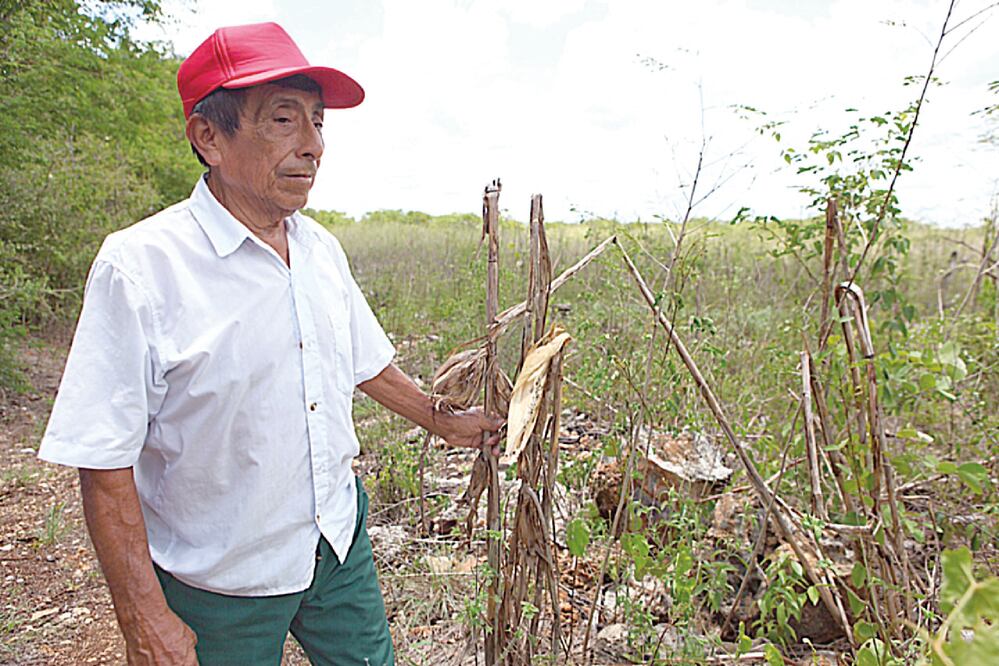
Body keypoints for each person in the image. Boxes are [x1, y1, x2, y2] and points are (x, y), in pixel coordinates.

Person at [37, 22, 502, 666]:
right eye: (284, 120)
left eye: (318, 122)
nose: (313, 146)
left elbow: (364, 362)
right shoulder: (142, 267)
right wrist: (144, 618)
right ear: (209, 137)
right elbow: (102, 459)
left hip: (335, 546)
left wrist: (442, 420)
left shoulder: (319, 249)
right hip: (218, 582)